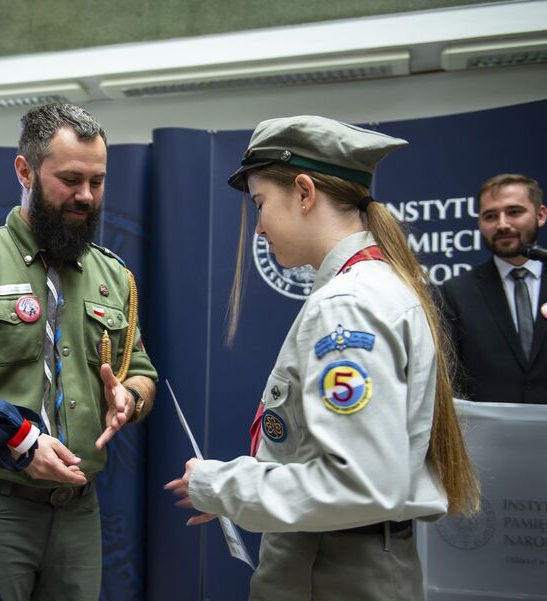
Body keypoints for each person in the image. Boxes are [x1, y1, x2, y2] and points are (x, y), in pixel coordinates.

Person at [165, 115, 480, 600]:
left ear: (305, 192)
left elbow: (358, 484)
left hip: (331, 569)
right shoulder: (371, 287)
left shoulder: (347, 305)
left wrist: (223, 486)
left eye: (261, 203)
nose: (260, 226)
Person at [0, 102, 158, 601]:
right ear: (24, 171)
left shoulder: (115, 277)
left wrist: (128, 401)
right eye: (69, 179)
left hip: (78, 515)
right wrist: (18, 438)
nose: (86, 196)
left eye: (97, 181)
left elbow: (143, 374)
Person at [441, 174, 547, 405]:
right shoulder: (456, 292)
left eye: (514, 212)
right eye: (490, 216)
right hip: (489, 437)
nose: (502, 224)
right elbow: (450, 381)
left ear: (540, 215)